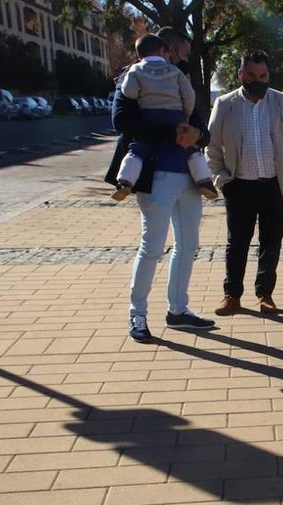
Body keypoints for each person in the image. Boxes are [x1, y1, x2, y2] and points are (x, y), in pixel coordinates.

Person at [105, 26, 215, 344]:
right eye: (182, 51)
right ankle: (137, 314)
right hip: (156, 175)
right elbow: (121, 122)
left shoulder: (181, 83)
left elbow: (199, 124)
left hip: (189, 177)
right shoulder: (134, 78)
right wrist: (170, 133)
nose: (185, 57)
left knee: (188, 246)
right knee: (151, 247)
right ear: (166, 49)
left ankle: (178, 310)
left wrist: (199, 136)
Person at [207, 50, 283, 317]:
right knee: (237, 243)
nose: (258, 80)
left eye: (263, 75)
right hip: (238, 185)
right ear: (241, 75)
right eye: (251, 75)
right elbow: (212, 147)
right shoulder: (225, 104)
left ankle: (265, 295)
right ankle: (232, 295)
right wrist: (221, 180)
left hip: (276, 186)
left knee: (271, 242)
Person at [111, 33, 217, 203]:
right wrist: (178, 129)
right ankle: (205, 181)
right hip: (152, 172)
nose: (187, 60)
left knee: (136, 151)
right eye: (186, 55)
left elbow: (203, 131)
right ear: (168, 52)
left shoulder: (136, 74)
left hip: (183, 174)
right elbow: (121, 121)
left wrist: (197, 134)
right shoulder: (174, 73)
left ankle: (125, 181)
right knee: (191, 151)